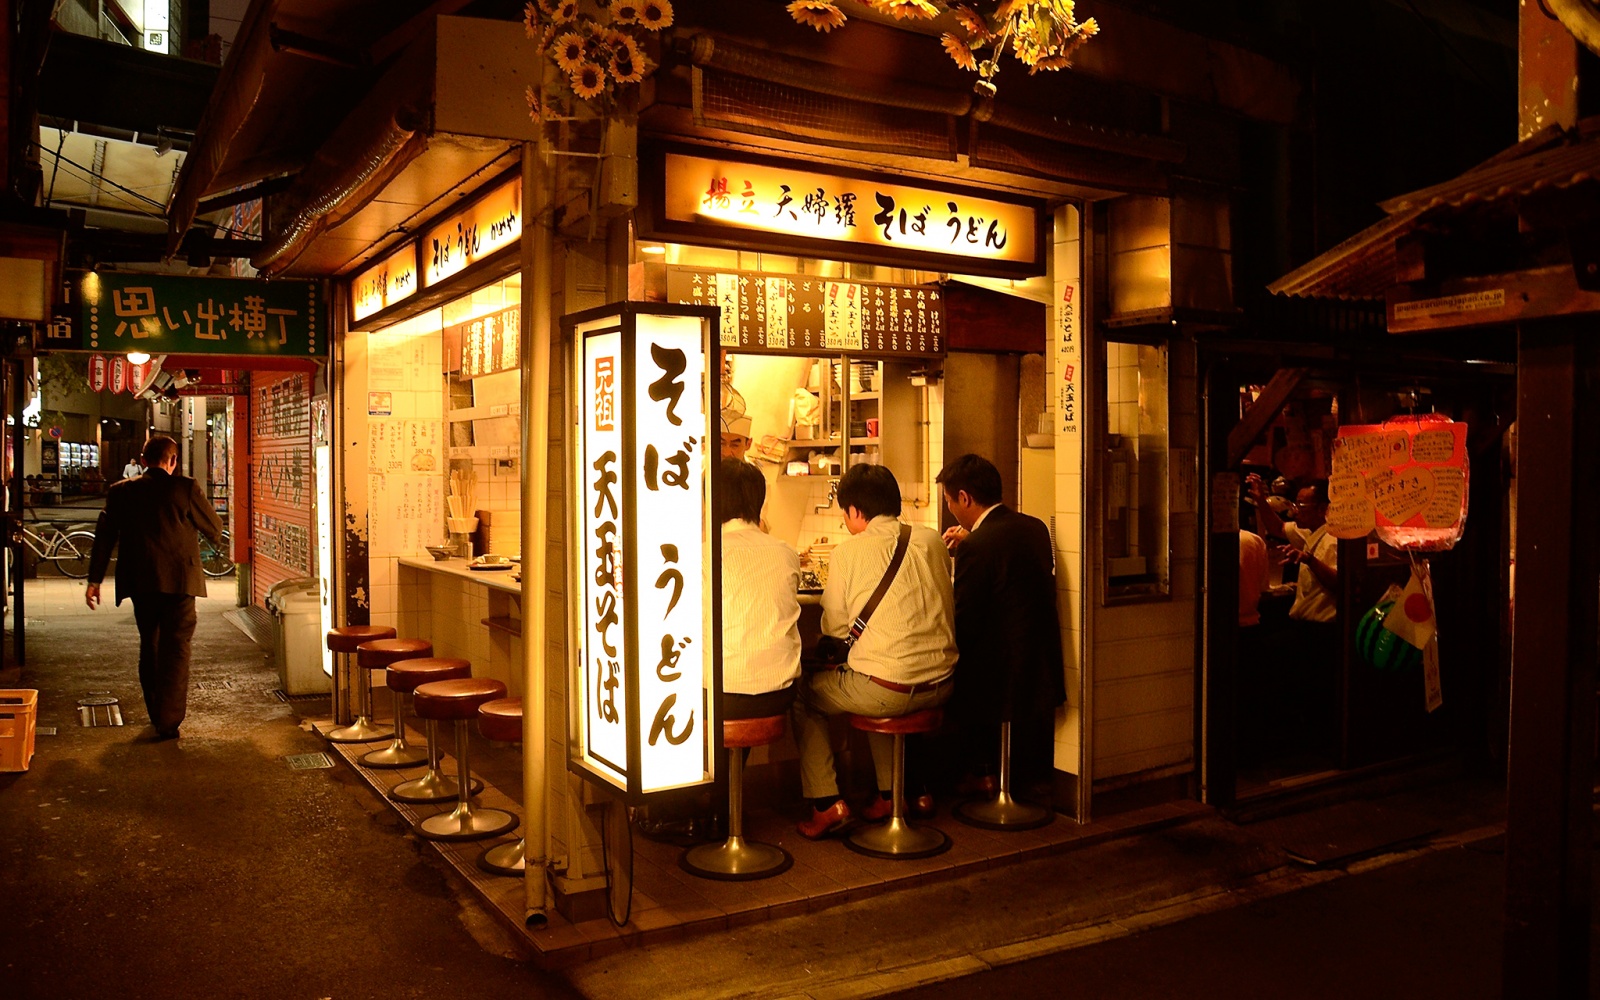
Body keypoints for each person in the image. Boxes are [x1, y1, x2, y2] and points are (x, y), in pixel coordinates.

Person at [793, 464, 957, 838]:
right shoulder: (931, 540)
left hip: (890, 692)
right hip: (943, 685)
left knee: (807, 694)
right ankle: (901, 793)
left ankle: (824, 803)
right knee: (876, 674)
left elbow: (833, 628)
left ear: (854, 511)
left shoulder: (850, 552)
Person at [937, 454, 1065, 797]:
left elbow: (966, 616)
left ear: (964, 498)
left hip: (1001, 674)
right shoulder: (1033, 526)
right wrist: (972, 543)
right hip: (1041, 662)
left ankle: (982, 773)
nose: (951, 509)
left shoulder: (977, 546)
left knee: (952, 672)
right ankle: (1001, 775)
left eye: (950, 501)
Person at [86, 436, 225, 740]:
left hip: (141, 582)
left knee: (149, 645)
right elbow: (214, 528)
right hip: (180, 582)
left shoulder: (121, 492)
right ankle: (169, 720)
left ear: (143, 459)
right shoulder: (185, 488)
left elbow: (104, 537)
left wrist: (94, 580)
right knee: (176, 649)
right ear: (173, 461)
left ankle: (156, 712)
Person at [1248, 474, 1338, 751]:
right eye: (1295, 504)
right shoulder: (1310, 533)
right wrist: (1261, 500)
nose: (1295, 510)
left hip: (1323, 632)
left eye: (1302, 505)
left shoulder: (1334, 540)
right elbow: (1276, 525)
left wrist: (1309, 560)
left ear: (1323, 509)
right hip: (1305, 627)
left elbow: (1341, 583)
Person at [717, 459, 801, 718]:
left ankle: (724, 759)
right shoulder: (786, 553)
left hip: (718, 694)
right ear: (760, 502)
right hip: (779, 694)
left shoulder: (705, 556)